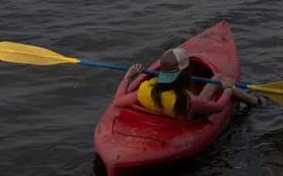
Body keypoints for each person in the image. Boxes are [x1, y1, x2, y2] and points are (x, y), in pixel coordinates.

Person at [112, 46, 262, 120]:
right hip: (188, 115)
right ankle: (255, 101)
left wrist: (128, 77)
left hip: (165, 114)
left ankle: (253, 100)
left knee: (213, 80)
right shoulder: (188, 101)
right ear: (184, 72)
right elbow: (219, 107)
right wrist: (228, 88)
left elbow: (118, 101)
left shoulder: (145, 90)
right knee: (217, 78)